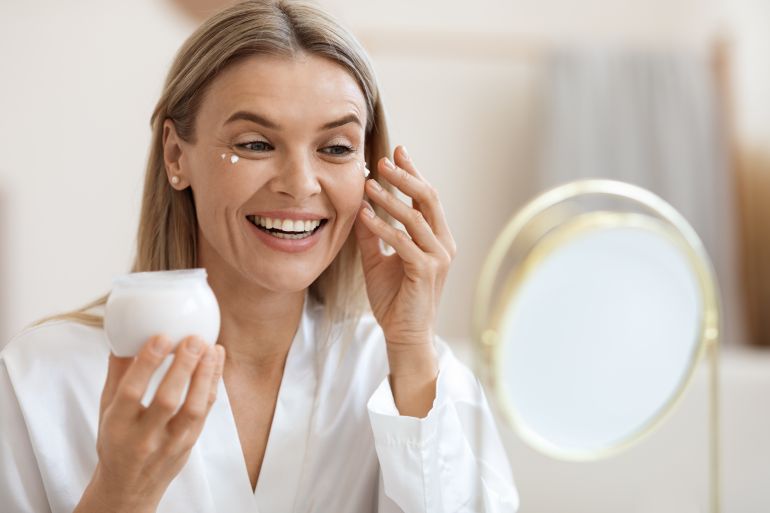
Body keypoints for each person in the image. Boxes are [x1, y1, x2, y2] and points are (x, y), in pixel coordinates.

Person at [0, 1, 519, 511]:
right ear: (177, 156)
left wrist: (409, 348)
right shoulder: (39, 381)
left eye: (335, 148)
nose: (299, 185)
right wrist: (119, 496)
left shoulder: (414, 375)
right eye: (254, 144)